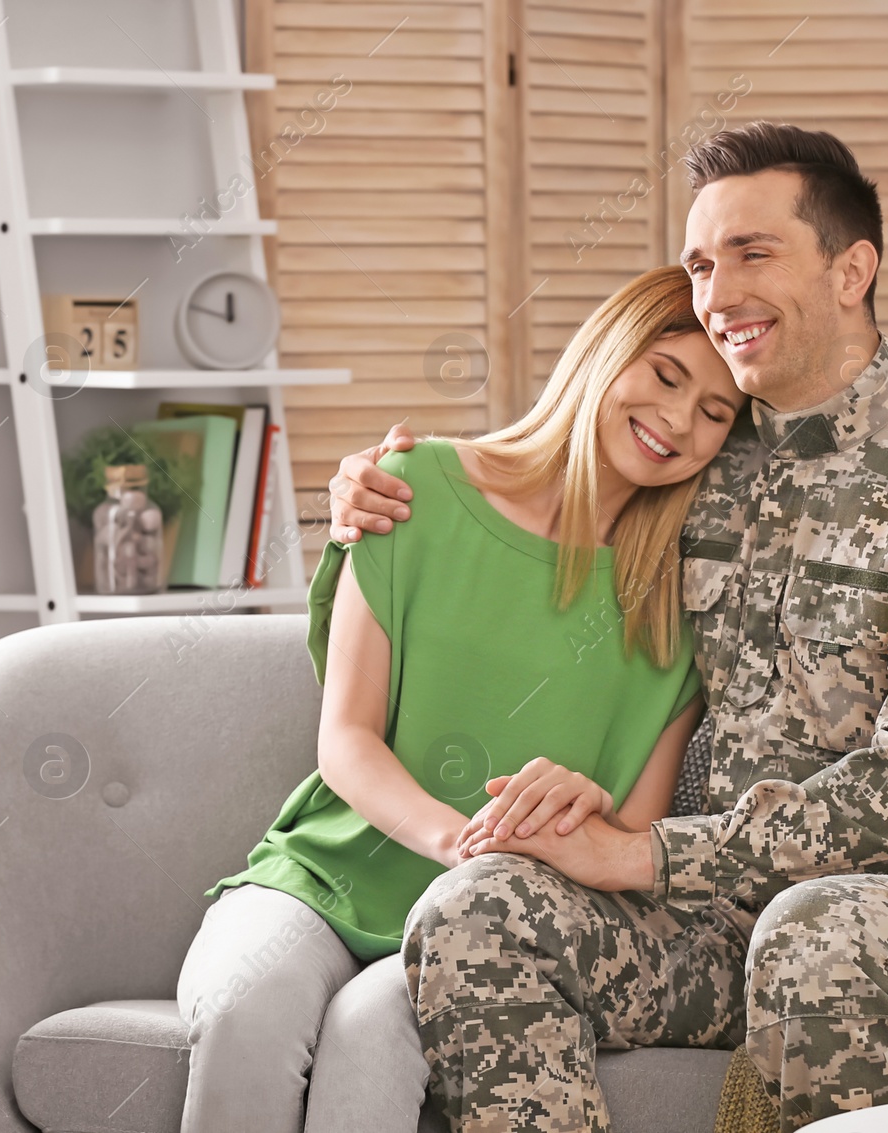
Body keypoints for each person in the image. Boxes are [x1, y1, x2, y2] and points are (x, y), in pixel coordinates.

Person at [328, 121, 888, 1132]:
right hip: (715, 926)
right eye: (699, 262)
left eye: (753, 253)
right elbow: (526, 507)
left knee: (818, 936)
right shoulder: (694, 456)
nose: (715, 294)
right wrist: (374, 497)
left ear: (852, 268)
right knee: (476, 908)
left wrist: (646, 856)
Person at [174, 264, 748, 1133]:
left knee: (371, 1046)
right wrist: (458, 843)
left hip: (492, 929)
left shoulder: (675, 610)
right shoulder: (413, 487)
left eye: (716, 412)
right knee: (244, 1011)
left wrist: (580, 818)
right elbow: (349, 740)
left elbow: (632, 842)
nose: (679, 420)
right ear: (604, 351)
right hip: (322, 877)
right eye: (666, 376)